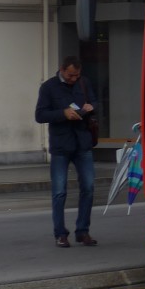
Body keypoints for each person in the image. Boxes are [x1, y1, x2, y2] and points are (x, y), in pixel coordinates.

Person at [34, 56, 99, 247]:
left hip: (82, 143)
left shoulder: (84, 83)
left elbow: (96, 103)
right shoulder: (48, 87)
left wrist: (91, 107)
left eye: (77, 75)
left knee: (88, 188)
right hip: (61, 146)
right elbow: (40, 115)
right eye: (71, 75)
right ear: (62, 70)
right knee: (59, 192)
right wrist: (62, 113)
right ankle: (60, 233)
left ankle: (83, 231)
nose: (73, 79)